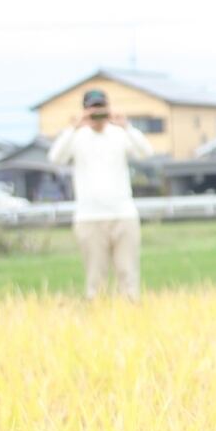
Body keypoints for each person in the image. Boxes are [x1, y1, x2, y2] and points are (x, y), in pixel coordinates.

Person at [48, 88, 154, 300]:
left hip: (123, 214)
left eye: (101, 107)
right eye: (92, 108)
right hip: (89, 217)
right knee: (96, 277)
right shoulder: (76, 137)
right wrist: (74, 127)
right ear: (85, 110)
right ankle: (96, 312)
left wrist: (127, 126)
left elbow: (146, 152)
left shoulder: (119, 134)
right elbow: (55, 158)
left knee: (128, 273)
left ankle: (132, 310)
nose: (97, 112)